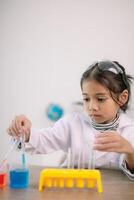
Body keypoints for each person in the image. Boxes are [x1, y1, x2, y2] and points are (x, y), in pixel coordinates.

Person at [7, 60, 134, 180]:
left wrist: (130, 151)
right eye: (86, 99)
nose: (92, 107)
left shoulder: (129, 130)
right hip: (73, 190)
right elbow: (42, 141)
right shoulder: (72, 123)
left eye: (100, 99)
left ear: (122, 98)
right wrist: (26, 132)